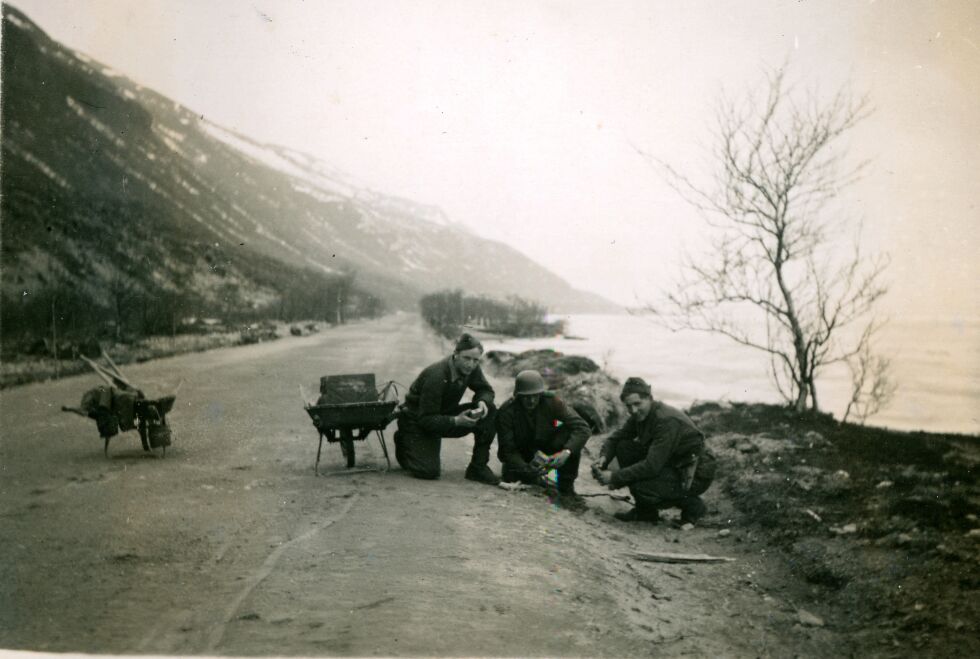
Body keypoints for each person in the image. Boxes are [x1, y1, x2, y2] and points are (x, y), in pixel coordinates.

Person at [593, 377, 716, 524]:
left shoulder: (666, 421)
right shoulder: (640, 415)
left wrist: (613, 477)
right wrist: (603, 458)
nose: (633, 410)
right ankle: (645, 512)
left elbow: (651, 466)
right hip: (673, 464)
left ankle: (692, 505)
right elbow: (615, 438)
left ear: (650, 398)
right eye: (629, 406)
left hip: (694, 473)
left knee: (640, 484)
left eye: (637, 404)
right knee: (624, 447)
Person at [393, 333, 500, 484]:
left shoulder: (472, 368)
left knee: (491, 411)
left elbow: (486, 390)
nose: (470, 364)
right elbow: (426, 419)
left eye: (476, 360)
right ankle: (404, 440)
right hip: (417, 422)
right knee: (428, 471)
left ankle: (478, 467)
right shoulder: (436, 376)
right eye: (466, 358)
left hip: (442, 416)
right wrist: (456, 421)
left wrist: (483, 402)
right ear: (455, 354)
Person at [496, 370, 592, 496]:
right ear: (518, 395)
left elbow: (582, 428)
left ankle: (566, 487)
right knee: (517, 477)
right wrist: (526, 469)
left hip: (544, 445)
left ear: (540, 394)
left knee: (571, 435)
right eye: (526, 397)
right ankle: (532, 477)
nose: (531, 401)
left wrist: (566, 452)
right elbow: (507, 450)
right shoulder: (506, 411)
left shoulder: (552, 402)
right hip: (521, 456)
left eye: (535, 396)